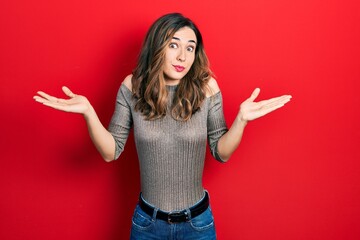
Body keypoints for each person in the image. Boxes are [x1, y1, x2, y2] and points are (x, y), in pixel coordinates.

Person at [33, 13, 291, 240]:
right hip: (148, 224)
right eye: (173, 45)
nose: (182, 56)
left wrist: (241, 120)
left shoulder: (207, 87)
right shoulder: (132, 86)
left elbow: (220, 152)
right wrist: (89, 113)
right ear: (157, 47)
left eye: (190, 48)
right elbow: (111, 151)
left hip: (198, 223)